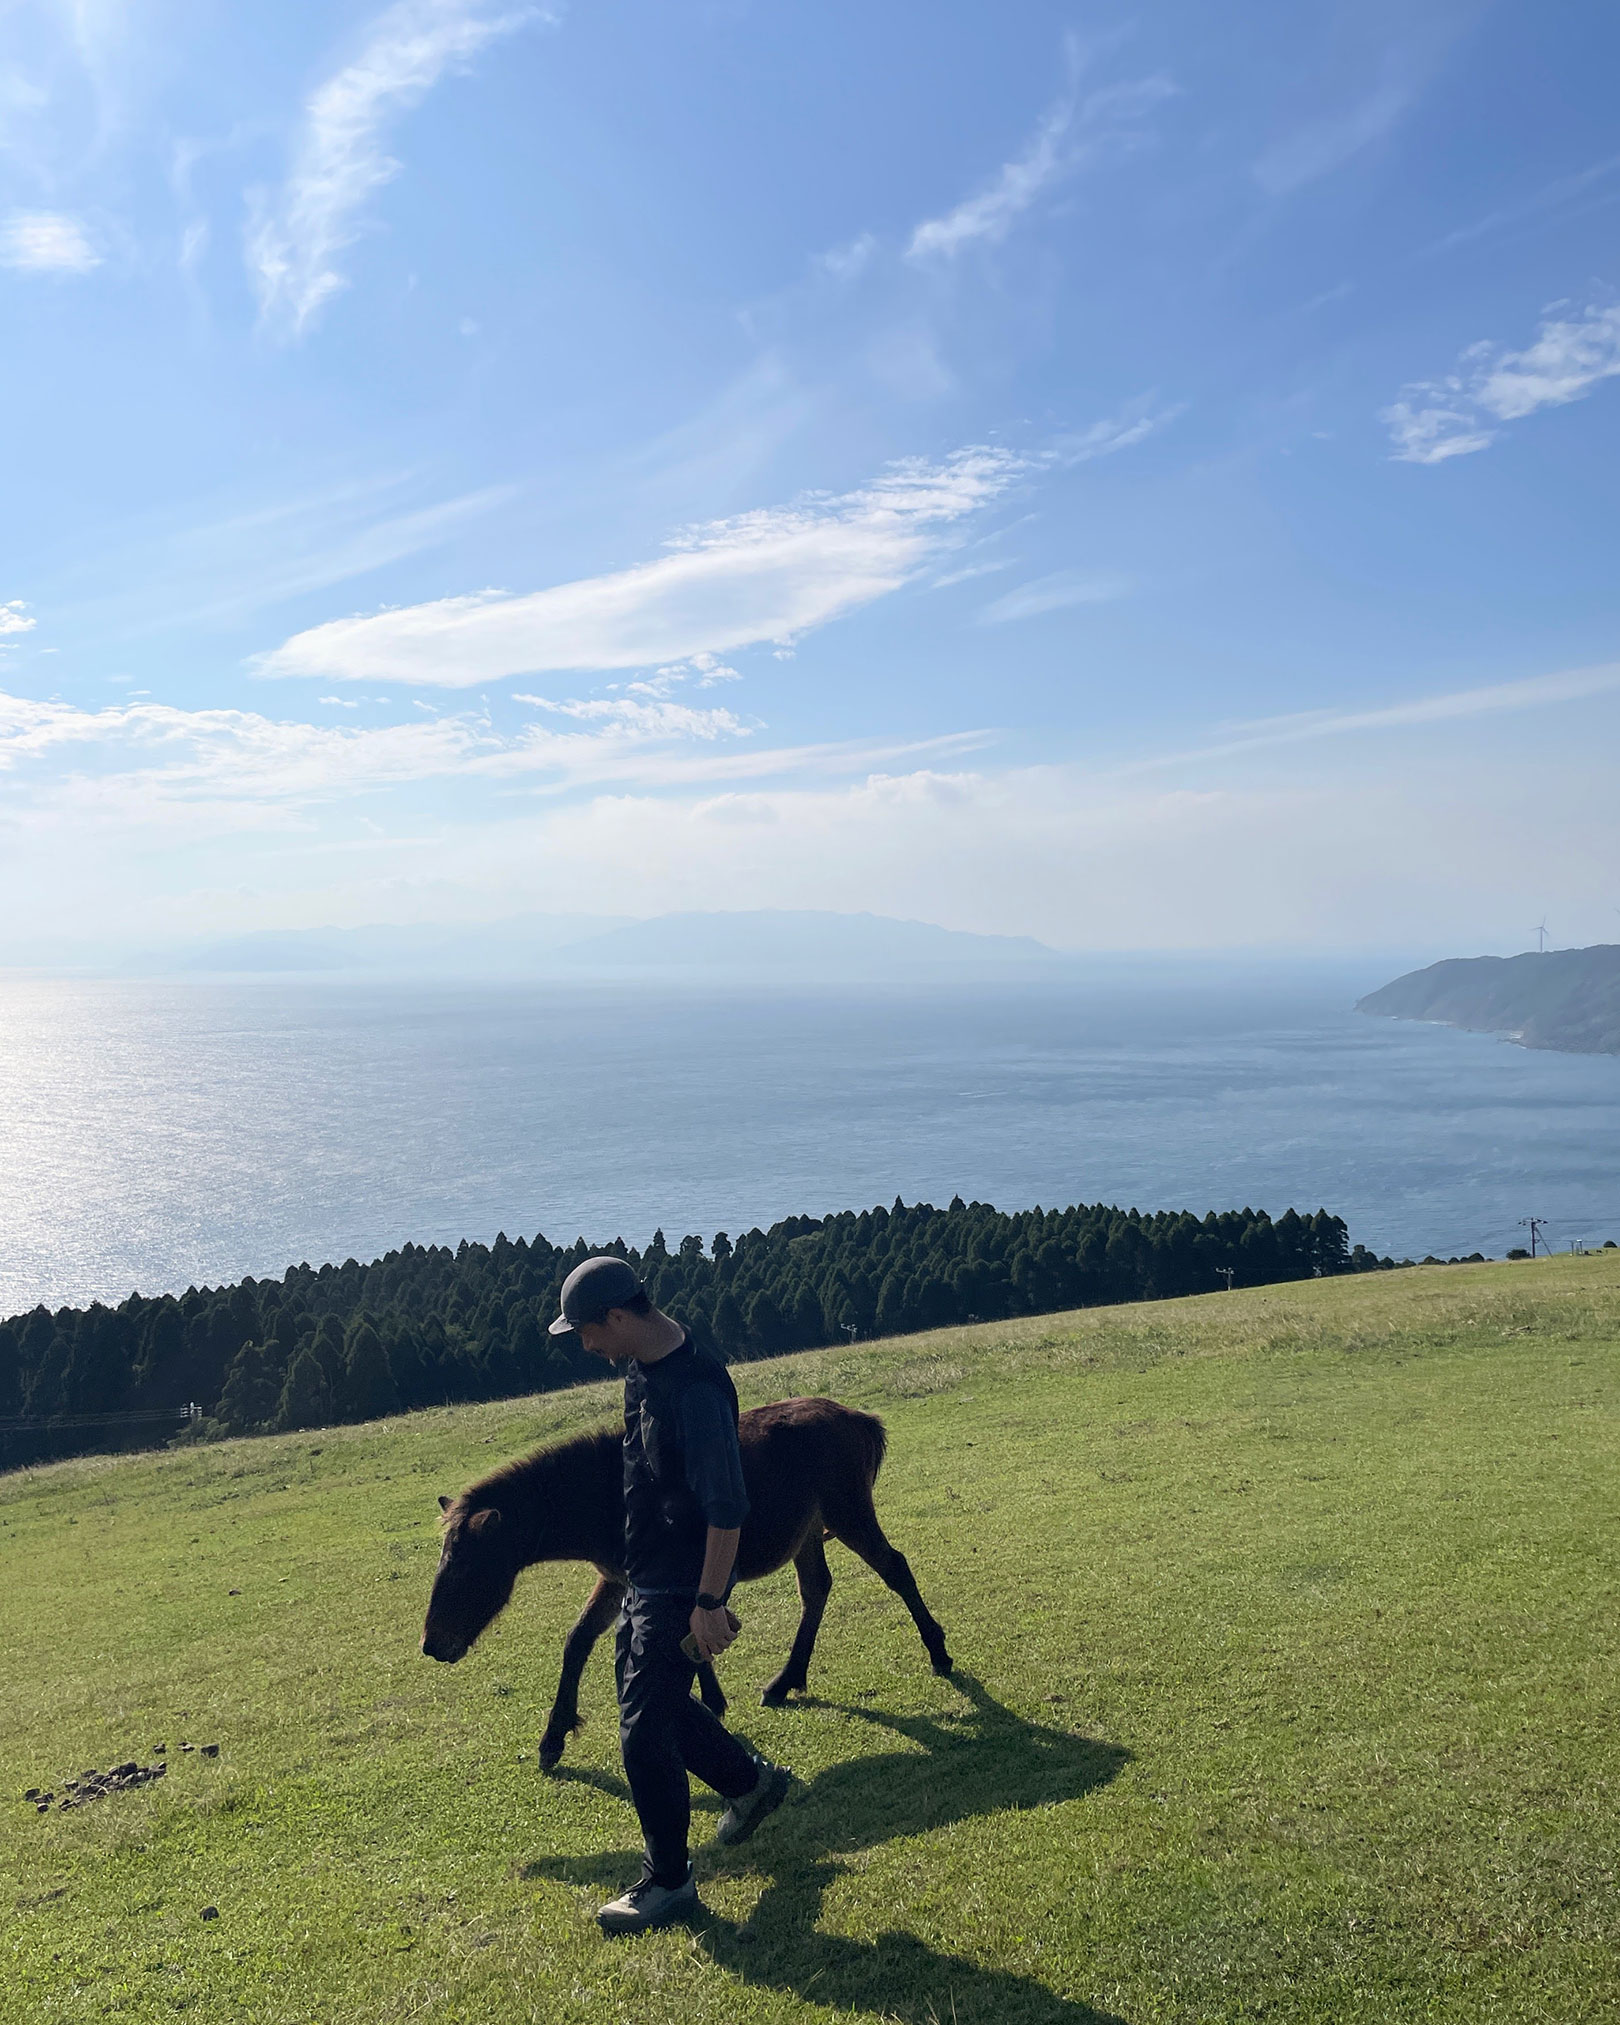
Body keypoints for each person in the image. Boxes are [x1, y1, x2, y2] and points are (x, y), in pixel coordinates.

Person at [549, 1254, 792, 1935]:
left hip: (686, 1580)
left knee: (640, 1729)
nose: (586, 1346)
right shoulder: (641, 1369)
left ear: (618, 1317)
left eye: (587, 1332)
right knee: (649, 1696)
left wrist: (710, 1600)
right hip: (646, 1572)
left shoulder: (696, 1389)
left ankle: (669, 1880)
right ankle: (750, 1783)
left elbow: (728, 1507)